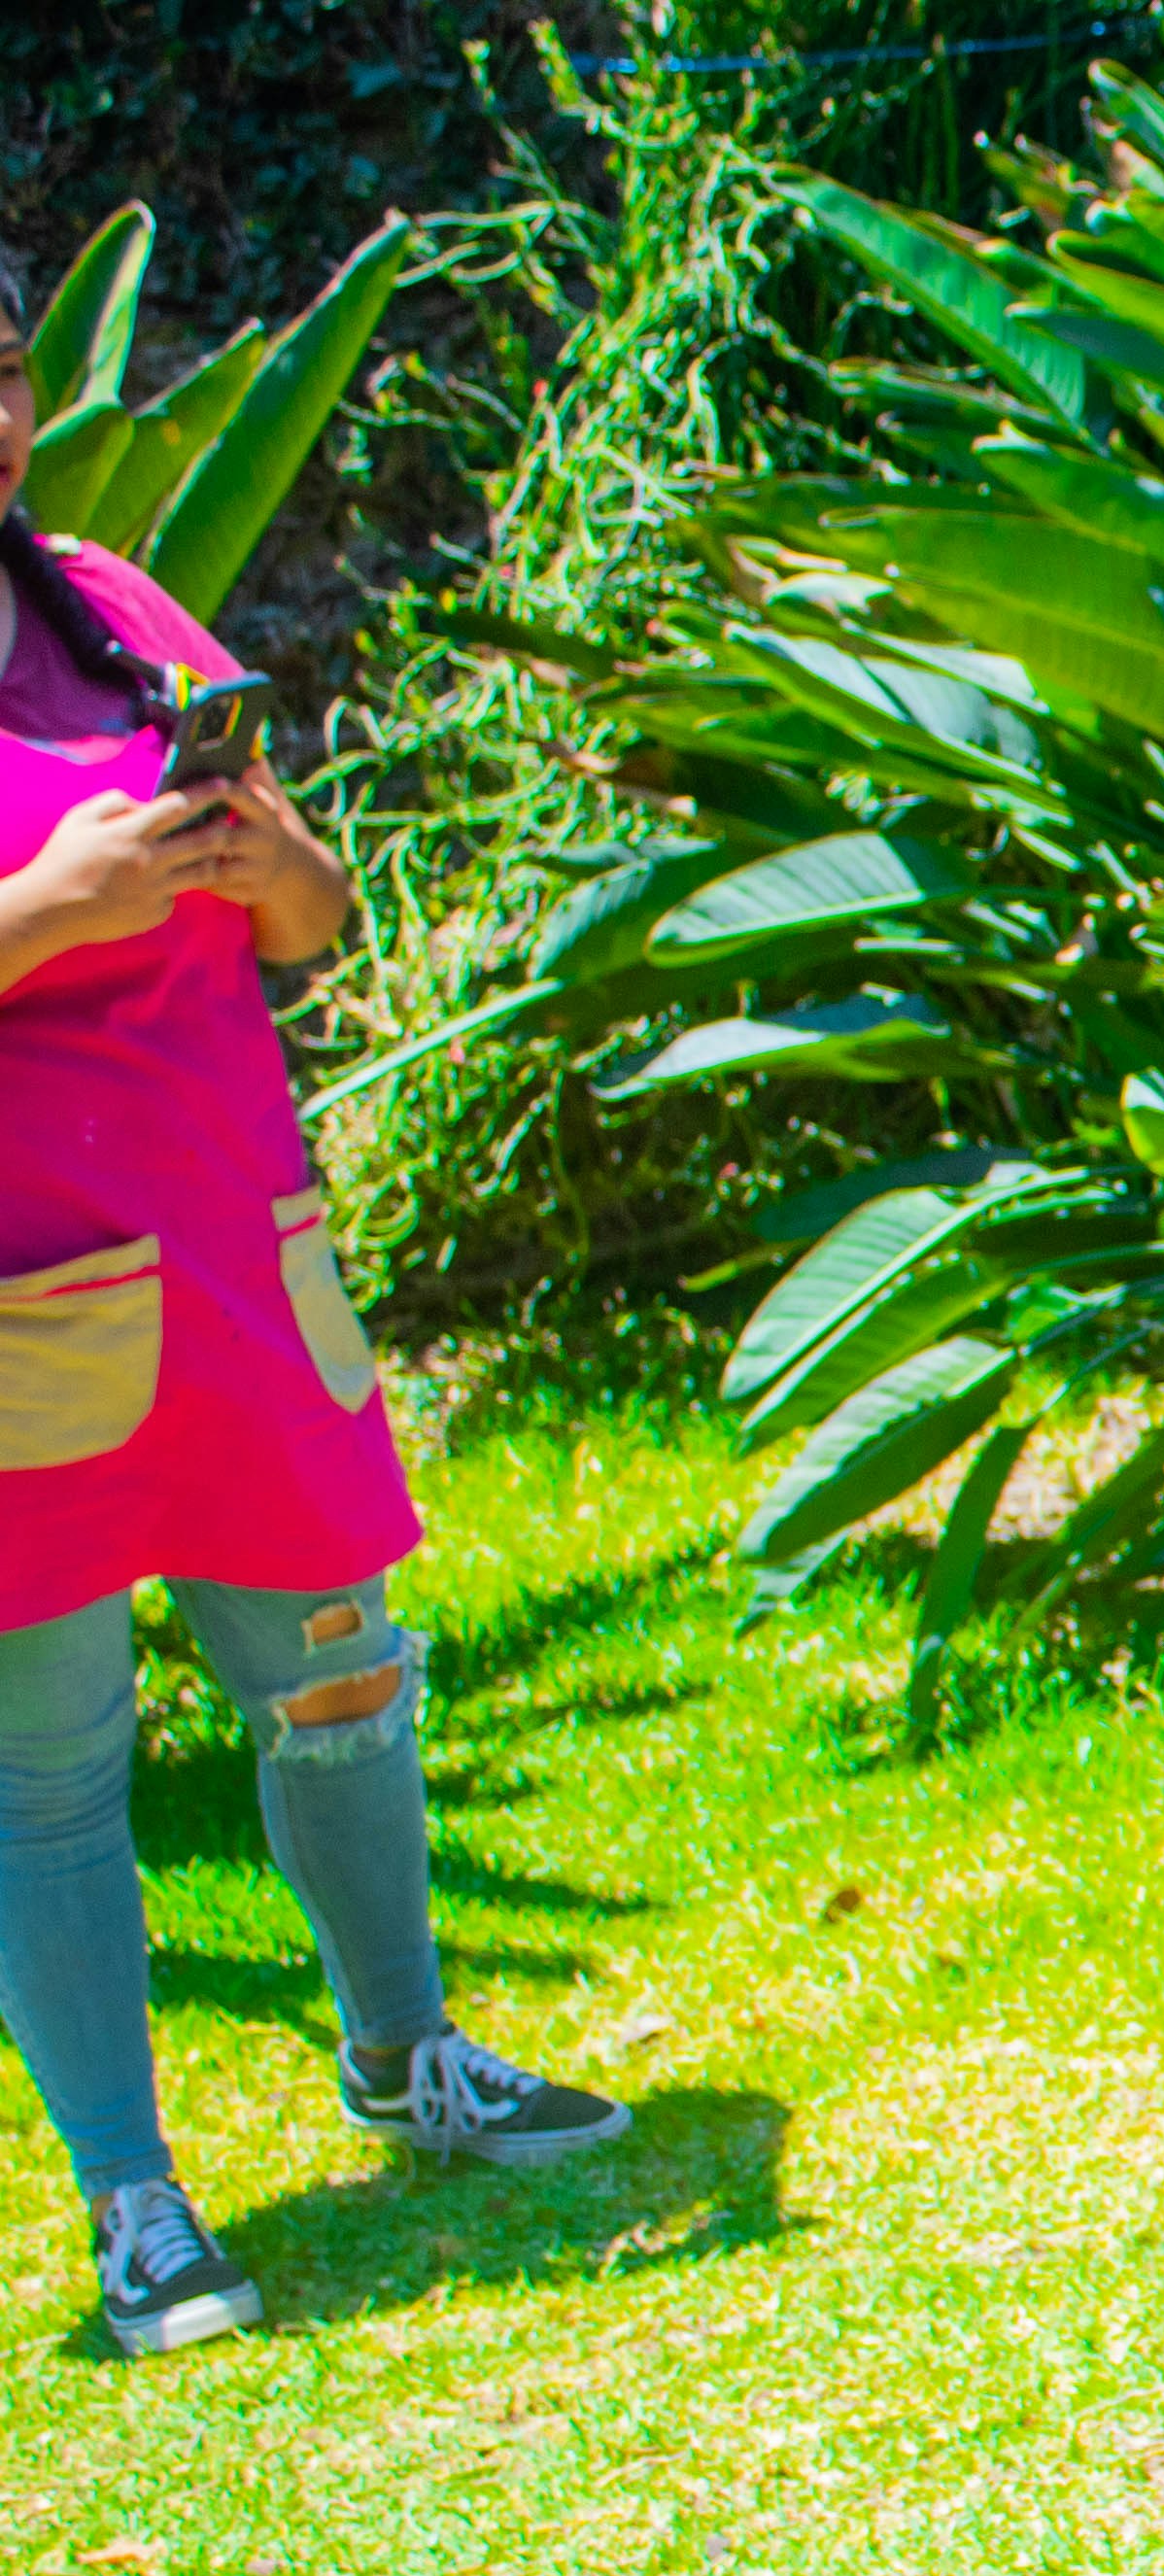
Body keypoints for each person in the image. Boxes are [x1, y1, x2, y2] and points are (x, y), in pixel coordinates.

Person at [0, 255, 628, 2360]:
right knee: (49, 1771)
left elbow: (316, 900)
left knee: (341, 1675)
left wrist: (279, 883)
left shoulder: (93, 593)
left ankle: (409, 2060)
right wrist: (41, 912)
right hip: (21, 1312)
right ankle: (136, 2203)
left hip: (231, 1254)